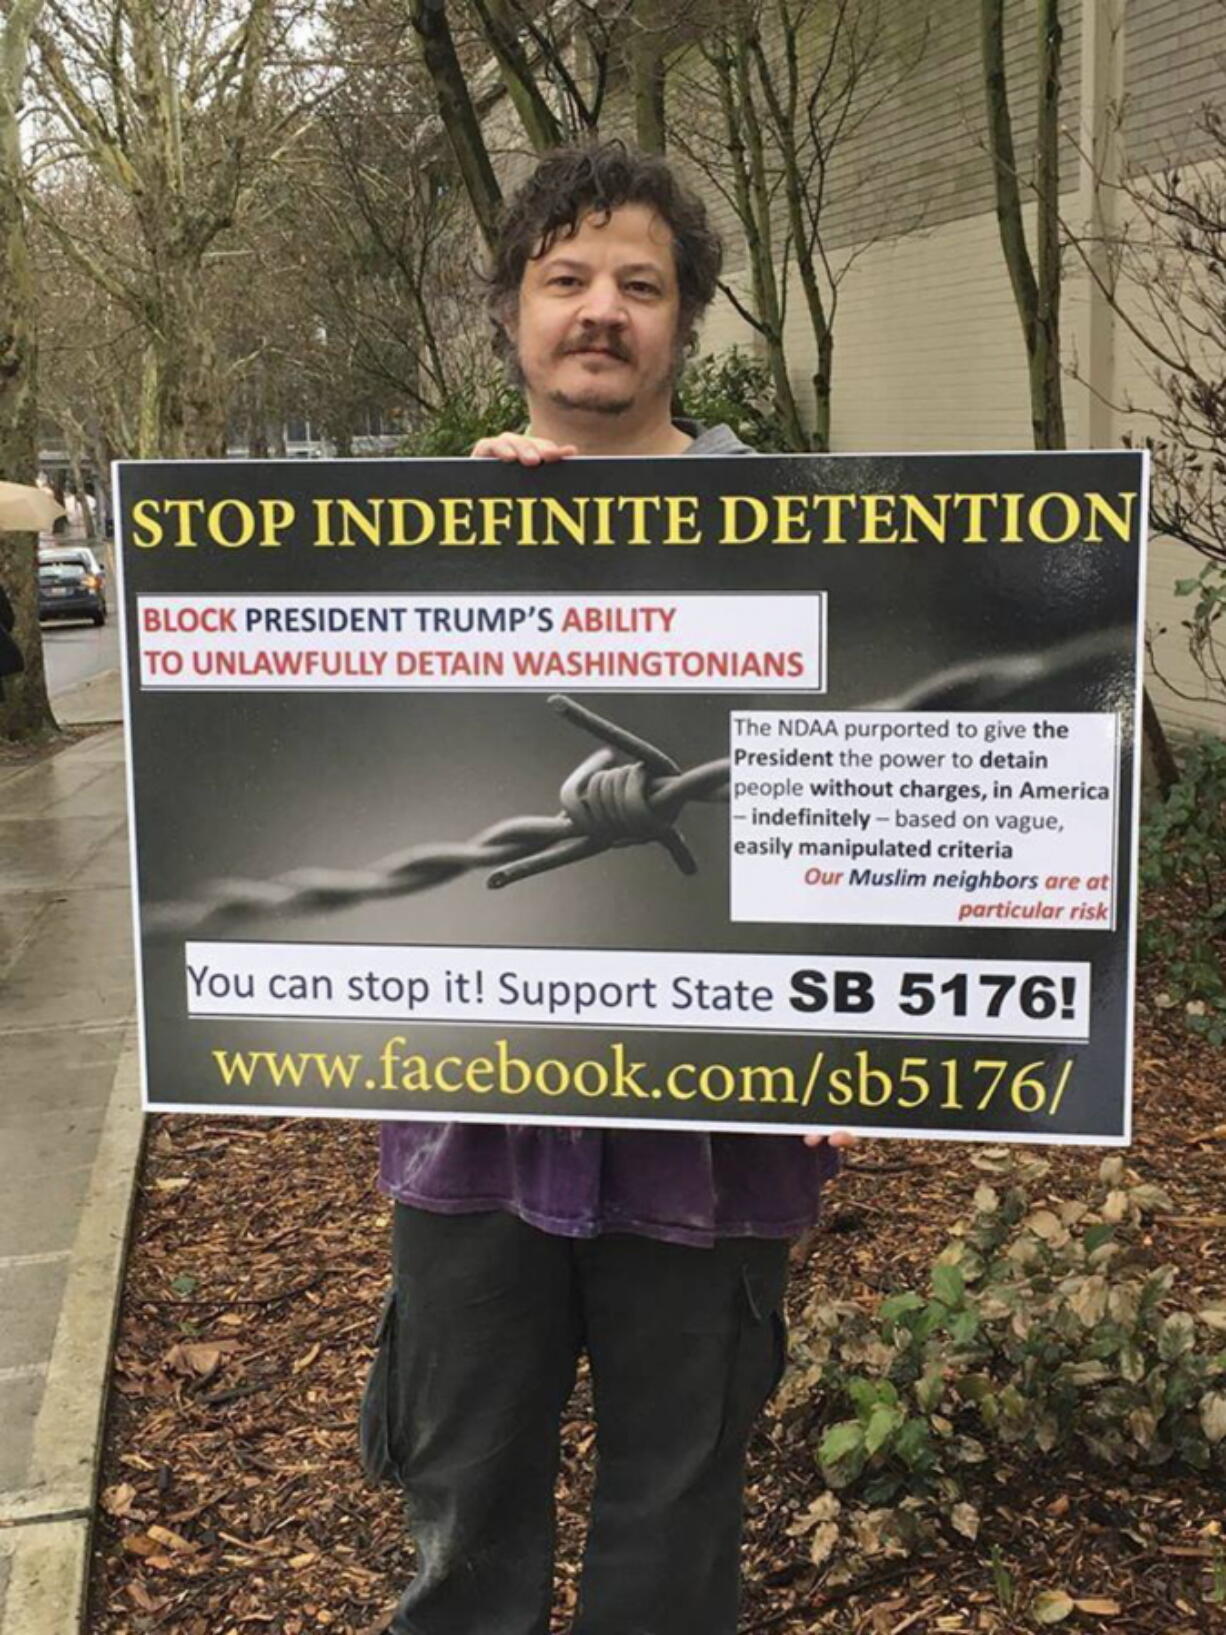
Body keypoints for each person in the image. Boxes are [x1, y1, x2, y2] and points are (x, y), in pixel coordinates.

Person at [362, 140, 852, 1635]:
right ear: (509, 313)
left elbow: (863, 797)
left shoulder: (813, 537)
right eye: (564, 277)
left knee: (678, 1502)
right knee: (462, 1494)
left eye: (640, 284)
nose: (599, 310)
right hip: (476, 1116)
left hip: (716, 1130)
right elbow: (377, 806)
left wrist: (872, 1027)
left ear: (684, 322)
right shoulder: (424, 542)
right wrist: (490, 561)